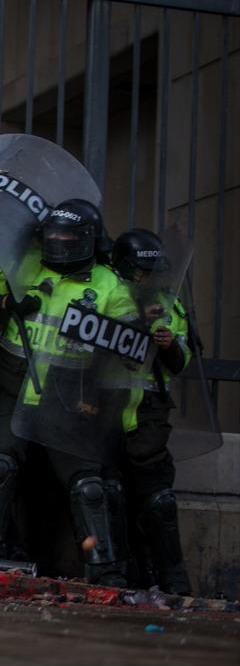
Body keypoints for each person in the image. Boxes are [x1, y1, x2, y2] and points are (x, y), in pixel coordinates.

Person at [0, 199, 133, 585]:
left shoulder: (110, 284)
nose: (59, 241)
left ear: (90, 240)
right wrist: (7, 303)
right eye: (53, 234)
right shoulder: (23, 266)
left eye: (68, 235)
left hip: (69, 397)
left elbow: (129, 345)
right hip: (15, 386)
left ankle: (104, 568)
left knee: (88, 486)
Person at [111, 229, 192, 594]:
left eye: (153, 270)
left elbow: (182, 362)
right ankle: (125, 576)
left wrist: (169, 345)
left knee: (158, 501)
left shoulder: (170, 304)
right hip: (104, 411)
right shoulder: (109, 293)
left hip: (148, 412)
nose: (150, 277)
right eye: (143, 271)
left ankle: (174, 581)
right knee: (111, 495)